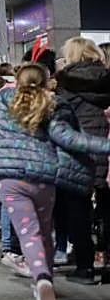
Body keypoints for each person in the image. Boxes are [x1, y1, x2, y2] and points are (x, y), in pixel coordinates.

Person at [0, 63, 110, 300]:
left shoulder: (1, 98)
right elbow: (71, 139)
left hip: (9, 179)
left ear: (17, 79)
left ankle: (42, 280)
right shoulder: (53, 103)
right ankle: (43, 280)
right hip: (43, 178)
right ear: (47, 81)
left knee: (29, 234)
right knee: (44, 232)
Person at [52, 37, 110, 284]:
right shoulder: (106, 79)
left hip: (78, 153)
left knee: (77, 209)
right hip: (106, 151)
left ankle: (84, 265)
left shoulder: (65, 85)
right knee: (108, 209)